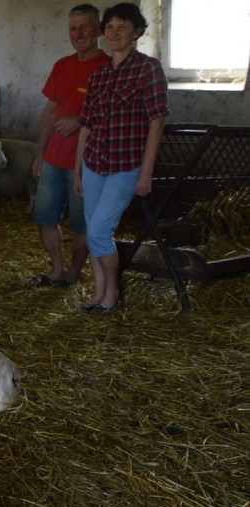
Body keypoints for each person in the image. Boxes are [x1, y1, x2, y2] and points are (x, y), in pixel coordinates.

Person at [74, 2, 169, 314]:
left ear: (137, 32)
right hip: (94, 163)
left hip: (126, 165)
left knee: (100, 231)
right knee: (92, 231)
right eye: (110, 27)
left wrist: (146, 171)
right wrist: (77, 170)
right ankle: (98, 294)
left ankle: (112, 293)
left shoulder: (148, 69)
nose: (114, 33)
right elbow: (86, 126)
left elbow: (156, 121)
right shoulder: (98, 76)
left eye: (123, 27)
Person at [31, 4, 109, 289]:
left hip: (88, 163)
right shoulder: (62, 66)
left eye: (84, 26)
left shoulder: (108, 68)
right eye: (73, 28)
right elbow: (50, 110)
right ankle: (56, 269)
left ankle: (75, 270)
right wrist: (40, 151)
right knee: (44, 216)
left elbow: (116, 116)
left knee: (81, 223)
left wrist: (80, 121)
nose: (78, 34)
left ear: (98, 30)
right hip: (53, 158)